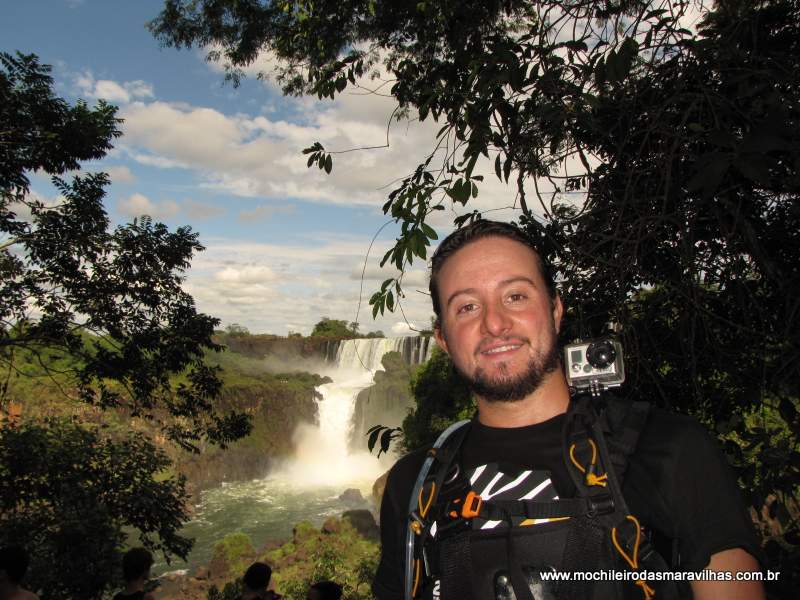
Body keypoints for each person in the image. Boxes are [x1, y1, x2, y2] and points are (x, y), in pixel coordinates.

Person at [372, 220, 765, 600]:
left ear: (556, 309)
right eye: (467, 307)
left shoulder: (671, 451)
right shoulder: (414, 487)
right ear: (442, 337)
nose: (494, 323)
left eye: (516, 296)